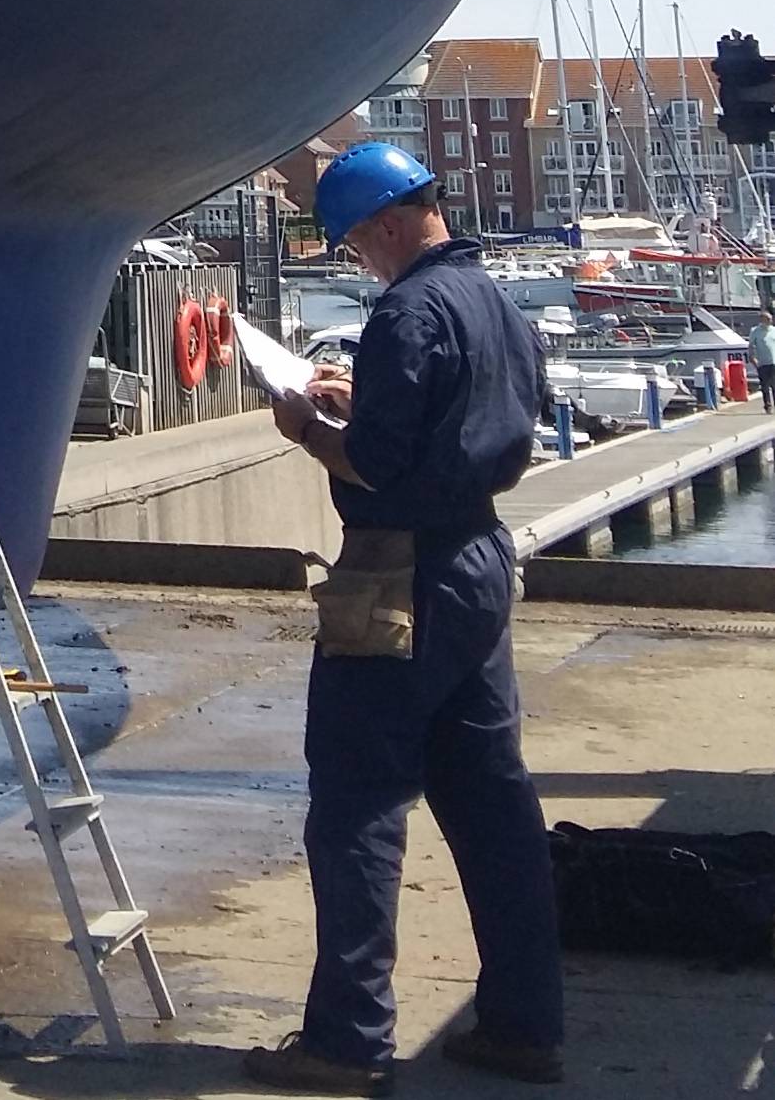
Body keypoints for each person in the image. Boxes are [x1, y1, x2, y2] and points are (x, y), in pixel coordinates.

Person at [245, 142, 564, 1094]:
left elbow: (377, 466)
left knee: (357, 804)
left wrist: (306, 423)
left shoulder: (404, 310)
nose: (358, 260)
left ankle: (347, 1040)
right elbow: (462, 415)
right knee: (493, 803)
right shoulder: (495, 301)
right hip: (479, 560)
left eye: (354, 243)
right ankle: (524, 1023)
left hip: (400, 574)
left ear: (387, 222)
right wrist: (364, 399)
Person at [749, 308, 775, 413]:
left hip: (774, 362)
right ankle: (767, 406)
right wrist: (754, 359)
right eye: (768, 319)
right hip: (763, 363)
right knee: (765, 387)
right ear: (762, 320)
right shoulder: (755, 331)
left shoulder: (773, 330)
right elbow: (751, 347)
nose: (770, 321)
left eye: (771, 319)